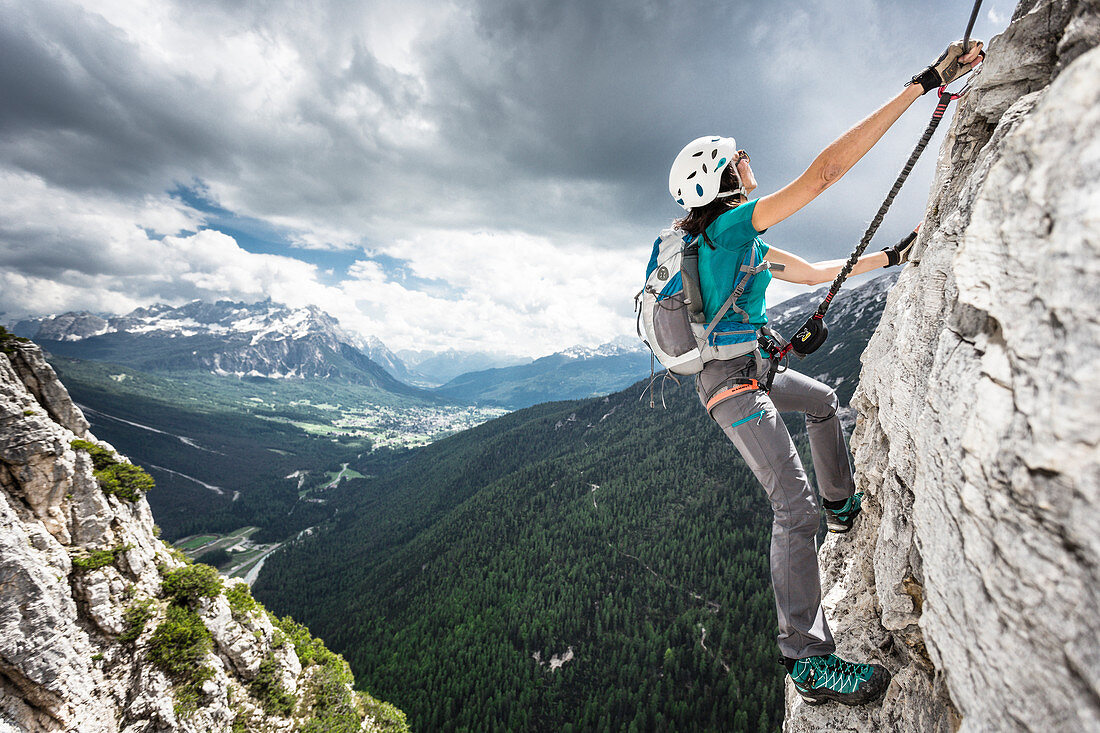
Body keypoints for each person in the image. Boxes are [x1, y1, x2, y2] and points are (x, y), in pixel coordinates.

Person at [667, 39, 983, 706]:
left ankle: (843, 506)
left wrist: (892, 254)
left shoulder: (736, 239)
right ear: (723, 178)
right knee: (792, 508)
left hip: (749, 366)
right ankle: (806, 660)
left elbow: (809, 273)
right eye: (739, 159)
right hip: (730, 386)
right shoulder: (727, 230)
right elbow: (824, 177)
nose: (749, 164)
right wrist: (920, 84)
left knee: (822, 401)